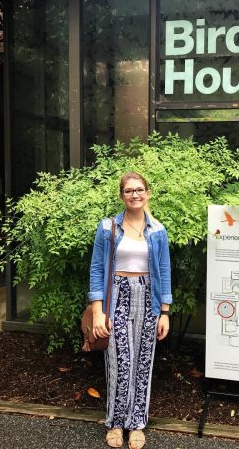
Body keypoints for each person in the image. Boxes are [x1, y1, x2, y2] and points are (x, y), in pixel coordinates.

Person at [87, 172, 172, 449]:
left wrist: (165, 311)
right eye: (128, 191)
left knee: (143, 363)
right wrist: (99, 311)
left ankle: (136, 424)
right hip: (116, 298)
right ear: (121, 195)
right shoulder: (107, 227)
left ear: (148, 193)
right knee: (119, 361)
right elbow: (97, 269)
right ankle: (115, 423)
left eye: (139, 189)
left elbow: (165, 271)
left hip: (148, 297)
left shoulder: (158, 230)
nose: (134, 195)